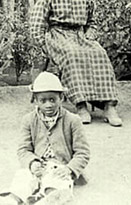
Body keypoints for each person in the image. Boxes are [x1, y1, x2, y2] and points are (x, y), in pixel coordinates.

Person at [29, 0, 122, 126]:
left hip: (80, 35)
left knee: (100, 53)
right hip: (57, 35)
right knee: (72, 55)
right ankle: (81, 106)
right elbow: (37, 23)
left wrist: (90, 35)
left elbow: (93, 21)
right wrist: (42, 44)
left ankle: (108, 106)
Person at [0, 71, 90, 204]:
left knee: (59, 184)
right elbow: (23, 149)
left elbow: (83, 152)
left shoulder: (73, 120)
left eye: (53, 99)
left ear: (61, 98)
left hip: (60, 167)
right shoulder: (28, 120)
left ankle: (47, 198)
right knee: (22, 178)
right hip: (38, 166)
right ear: (35, 100)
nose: (48, 105)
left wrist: (69, 169)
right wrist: (32, 163)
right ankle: (15, 199)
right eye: (43, 100)